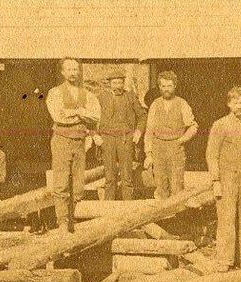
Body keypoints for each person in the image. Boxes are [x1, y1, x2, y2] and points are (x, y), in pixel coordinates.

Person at [204, 85, 241, 269]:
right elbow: (211, 154)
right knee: (226, 220)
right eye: (236, 103)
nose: (240, 106)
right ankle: (224, 260)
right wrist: (216, 181)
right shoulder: (220, 125)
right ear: (229, 104)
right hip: (226, 179)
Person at [45, 57, 103, 231]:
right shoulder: (55, 92)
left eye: (75, 69)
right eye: (69, 69)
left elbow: (96, 116)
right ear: (63, 72)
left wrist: (75, 112)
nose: (73, 73)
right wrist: (82, 114)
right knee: (61, 184)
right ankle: (63, 222)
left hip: (80, 142)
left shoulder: (87, 94)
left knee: (78, 185)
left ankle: (74, 220)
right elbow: (59, 117)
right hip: (62, 140)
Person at [142, 70, 197, 197]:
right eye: (163, 86)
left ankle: (178, 210)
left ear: (175, 86)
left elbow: (193, 126)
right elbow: (149, 131)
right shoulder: (155, 104)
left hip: (175, 148)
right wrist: (148, 154)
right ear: (159, 87)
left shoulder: (182, 103)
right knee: (161, 186)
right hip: (158, 148)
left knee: (177, 186)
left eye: (169, 86)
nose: (166, 89)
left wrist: (182, 139)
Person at [96, 75, 142, 203]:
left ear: (123, 83)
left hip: (125, 138)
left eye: (120, 83)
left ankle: (128, 208)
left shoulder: (130, 97)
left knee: (127, 177)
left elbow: (142, 116)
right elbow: (92, 118)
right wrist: (95, 135)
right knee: (109, 177)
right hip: (107, 139)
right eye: (114, 83)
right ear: (109, 84)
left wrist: (138, 132)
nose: (117, 86)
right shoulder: (101, 98)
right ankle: (109, 208)